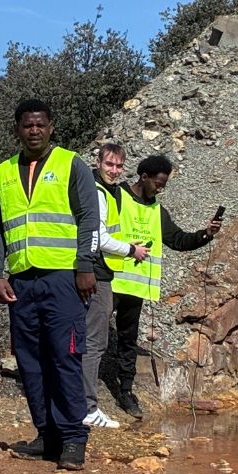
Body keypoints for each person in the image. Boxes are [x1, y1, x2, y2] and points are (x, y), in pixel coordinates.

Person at [0, 99, 98, 471]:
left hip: (63, 279)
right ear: (17, 129)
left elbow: (89, 219)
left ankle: (73, 439)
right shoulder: (2, 172)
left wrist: (85, 266)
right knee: (30, 361)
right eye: (27, 125)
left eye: (40, 125)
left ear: (51, 128)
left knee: (65, 357)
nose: (34, 130)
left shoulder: (71, 164)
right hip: (21, 281)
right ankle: (46, 434)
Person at [108, 154, 221, 419]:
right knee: (94, 336)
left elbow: (178, 240)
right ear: (143, 177)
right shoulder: (116, 196)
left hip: (134, 287)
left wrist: (206, 234)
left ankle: (125, 391)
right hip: (109, 280)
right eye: (158, 183)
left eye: (164, 185)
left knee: (127, 340)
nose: (161, 189)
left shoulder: (157, 211)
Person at [80, 144, 149, 430]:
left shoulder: (109, 191)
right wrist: (131, 250)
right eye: (110, 164)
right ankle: (87, 407)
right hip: (97, 273)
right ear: (98, 162)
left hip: (98, 271)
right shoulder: (97, 192)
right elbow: (100, 236)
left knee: (87, 339)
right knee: (94, 342)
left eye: (120, 166)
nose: (115, 170)